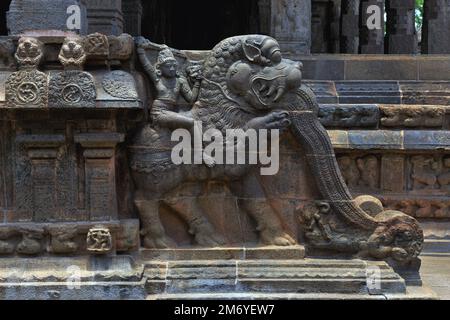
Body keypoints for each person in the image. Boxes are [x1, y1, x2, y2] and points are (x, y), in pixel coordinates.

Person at [136, 37, 215, 167]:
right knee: (193, 123)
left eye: (174, 65)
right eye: (168, 66)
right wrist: (141, 49)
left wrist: (197, 83)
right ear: (160, 68)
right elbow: (145, 63)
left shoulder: (180, 80)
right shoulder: (157, 78)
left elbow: (190, 98)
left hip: (171, 111)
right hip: (159, 112)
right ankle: (199, 153)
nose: (172, 68)